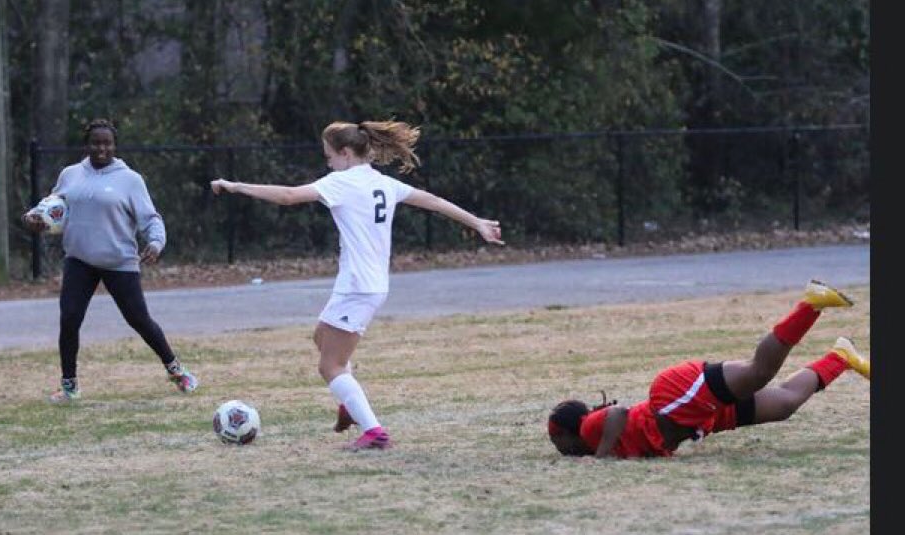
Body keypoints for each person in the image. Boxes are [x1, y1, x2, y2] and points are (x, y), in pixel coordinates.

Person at [210, 119, 505, 450]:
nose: (328, 164)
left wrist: (236, 186)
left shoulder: (343, 182)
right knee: (322, 336)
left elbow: (289, 196)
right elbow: (434, 201)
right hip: (363, 283)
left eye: (329, 157)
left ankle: (374, 432)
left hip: (359, 287)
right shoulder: (383, 183)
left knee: (330, 365)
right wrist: (476, 221)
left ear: (346, 153)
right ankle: (349, 405)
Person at [546, 280, 869, 458]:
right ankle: (841, 356)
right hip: (698, 417)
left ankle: (810, 304)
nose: (559, 451)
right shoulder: (594, 440)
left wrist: (602, 457)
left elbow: (618, 413)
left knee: (759, 372)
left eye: (556, 444)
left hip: (678, 398)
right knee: (784, 403)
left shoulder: (589, 429)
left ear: (565, 433)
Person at [22, 118, 199, 404]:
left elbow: (151, 219)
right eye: (95, 143)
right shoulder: (70, 174)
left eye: (107, 143)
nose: (101, 148)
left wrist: (155, 243)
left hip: (119, 262)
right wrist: (31, 219)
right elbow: (50, 208)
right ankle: (69, 386)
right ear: (87, 144)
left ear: (114, 146)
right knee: (69, 318)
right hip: (79, 260)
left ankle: (177, 371)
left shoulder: (130, 179)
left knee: (139, 320)